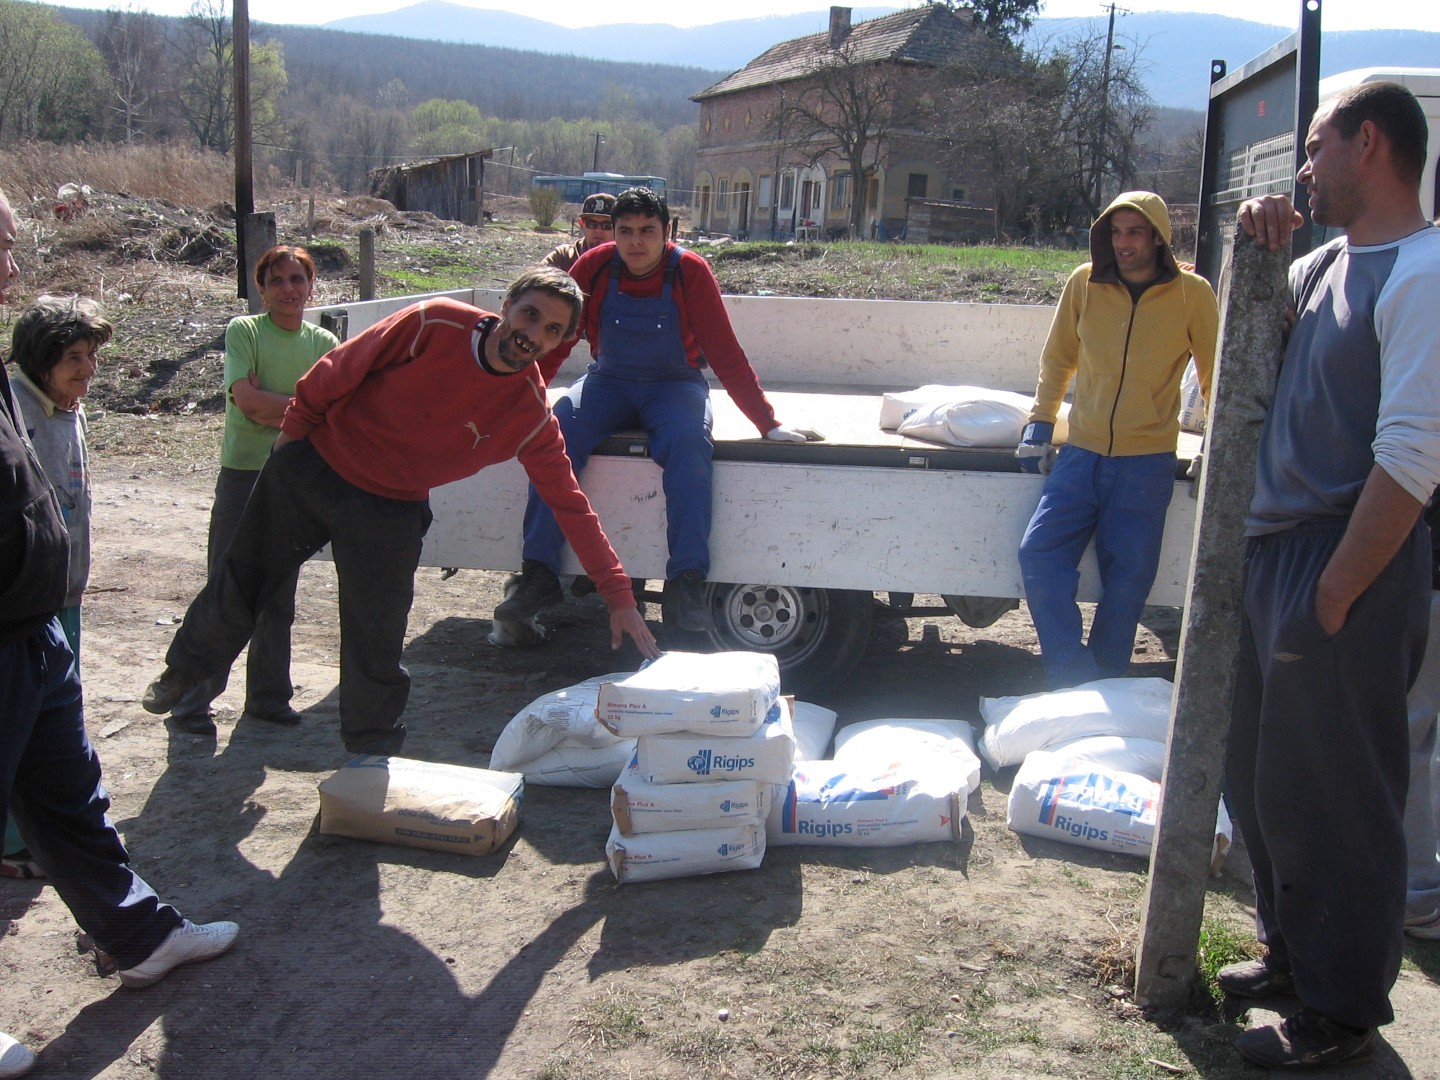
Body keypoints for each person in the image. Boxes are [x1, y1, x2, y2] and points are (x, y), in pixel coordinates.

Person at [142, 266, 660, 758]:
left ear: (561, 343)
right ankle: (183, 673)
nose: (533, 334)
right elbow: (336, 371)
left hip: (391, 509)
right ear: (506, 306)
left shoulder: (529, 416)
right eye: (529, 314)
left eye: (551, 330)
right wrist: (290, 443)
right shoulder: (434, 322)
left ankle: (370, 748)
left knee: (378, 634)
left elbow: (571, 505)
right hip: (318, 465)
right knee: (245, 579)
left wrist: (618, 596)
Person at [1219, 82, 1440, 1069]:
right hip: (1277, 553)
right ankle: (1291, 956)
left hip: (1349, 557)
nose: (1305, 169)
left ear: (1372, 142)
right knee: (1264, 777)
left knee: (1339, 793)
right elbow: (1239, 363)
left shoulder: (1424, 274)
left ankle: (1342, 1010)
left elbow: (1412, 457)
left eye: (1315, 147)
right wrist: (1254, 243)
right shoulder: (1322, 266)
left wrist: (1338, 592)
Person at [0, 187, 238, 1080]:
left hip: (33, 631)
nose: (14, 265)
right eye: (1, 247)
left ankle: (140, 936)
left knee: (70, 797)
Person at [496, 186, 814, 632]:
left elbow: (724, 350)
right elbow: (554, 341)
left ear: (668, 232)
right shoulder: (592, 268)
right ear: (614, 233)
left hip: (675, 387)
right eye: (625, 231)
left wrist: (767, 423)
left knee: (688, 445)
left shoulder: (690, 271)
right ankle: (539, 574)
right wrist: (516, 402)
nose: (636, 242)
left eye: (647, 230)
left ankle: (686, 581)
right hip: (608, 382)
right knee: (557, 432)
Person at [1015, 191, 1218, 689]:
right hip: (1081, 454)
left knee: (1129, 578)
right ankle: (1070, 672)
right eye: (1115, 231)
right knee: (1039, 554)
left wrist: (1215, 444)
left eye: (1135, 232)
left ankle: (1106, 676)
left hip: (1146, 462)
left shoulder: (1193, 294)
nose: (1123, 243)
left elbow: (1215, 374)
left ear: (1158, 238)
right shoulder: (1083, 283)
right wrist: (1040, 422)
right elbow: (1058, 357)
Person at [164, 245, 340, 736]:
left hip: (291, 479)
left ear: (311, 286)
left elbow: (331, 412)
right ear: (261, 289)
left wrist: (273, 402)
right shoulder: (244, 331)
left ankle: (268, 698)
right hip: (243, 475)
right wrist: (299, 407)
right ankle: (193, 703)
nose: (288, 289)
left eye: (297, 279)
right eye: (277, 280)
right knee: (226, 587)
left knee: (278, 593)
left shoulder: (324, 342)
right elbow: (248, 403)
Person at [542, 191, 616, 274]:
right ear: (581, 224)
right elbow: (535, 277)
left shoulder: (624, 260)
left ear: (617, 227)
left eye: (607, 225)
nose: (598, 231)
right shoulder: (564, 257)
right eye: (592, 224)